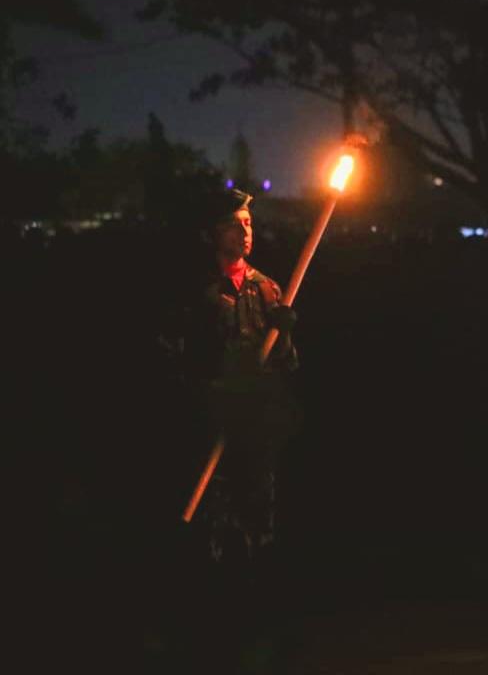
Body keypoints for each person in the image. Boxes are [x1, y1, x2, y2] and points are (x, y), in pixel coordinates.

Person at [174, 187, 300, 673]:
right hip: (213, 425)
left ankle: (259, 621)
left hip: (258, 428)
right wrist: (212, 393)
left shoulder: (267, 289)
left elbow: (287, 364)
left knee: (259, 523)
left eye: (248, 223)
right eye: (236, 223)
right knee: (214, 526)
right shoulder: (198, 292)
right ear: (214, 233)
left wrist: (284, 332)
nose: (246, 231)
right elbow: (176, 356)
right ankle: (211, 628)